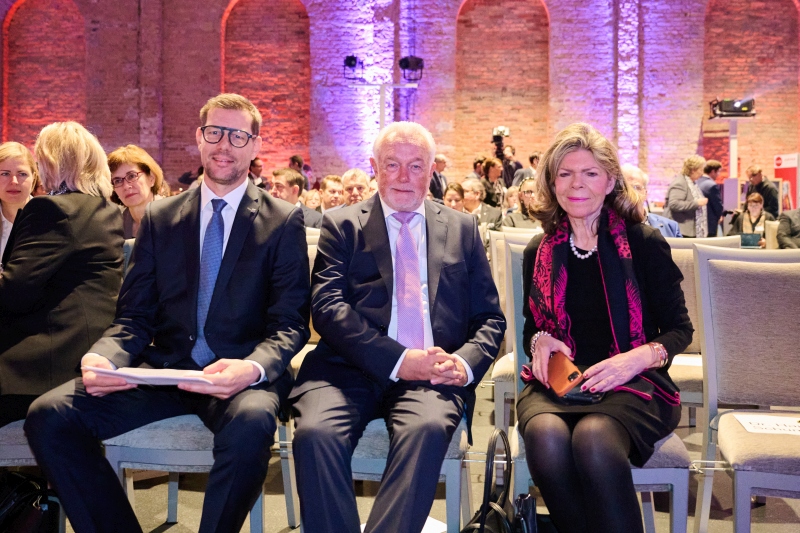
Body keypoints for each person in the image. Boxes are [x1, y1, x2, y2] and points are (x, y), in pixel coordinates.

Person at [25, 94, 311, 533]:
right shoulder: (161, 216)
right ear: (199, 138)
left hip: (237, 376)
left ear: (255, 145)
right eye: (215, 132)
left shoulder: (282, 220)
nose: (224, 144)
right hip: (165, 370)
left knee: (253, 423)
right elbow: (134, 315)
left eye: (238, 136)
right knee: (50, 415)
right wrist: (104, 356)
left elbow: (289, 324)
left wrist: (253, 367)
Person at [290, 121, 505, 533]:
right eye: (392, 164)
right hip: (345, 369)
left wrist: (462, 364)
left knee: (426, 428)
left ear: (432, 171)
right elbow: (327, 308)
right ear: (374, 167)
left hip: (433, 375)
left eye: (416, 165)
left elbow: (490, 318)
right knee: (315, 435)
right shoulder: (342, 223)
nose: (404, 176)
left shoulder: (461, 229)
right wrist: (400, 360)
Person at [518, 123, 691, 533]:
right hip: (561, 382)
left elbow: (679, 330)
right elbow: (531, 331)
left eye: (590, 173)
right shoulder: (539, 251)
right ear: (552, 183)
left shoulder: (644, 242)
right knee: (544, 435)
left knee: (593, 438)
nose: (576, 184)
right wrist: (541, 340)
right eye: (565, 173)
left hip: (635, 381)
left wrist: (633, 360)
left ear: (610, 181)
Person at [0, 123, 123, 427]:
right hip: (89, 352)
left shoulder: (52, 209)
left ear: (52, 162)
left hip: (47, 363)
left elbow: (13, 293)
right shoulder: (104, 209)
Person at [108, 144, 165, 239]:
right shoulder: (113, 226)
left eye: (132, 176)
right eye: (117, 181)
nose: (126, 186)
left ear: (151, 178)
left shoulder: (173, 218)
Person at [620, 164, 681, 238]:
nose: (631, 193)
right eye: (625, 188)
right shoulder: (609, 227)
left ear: (645, 193)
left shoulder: (670, 227)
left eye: (636, 187)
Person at [0, 142, 38, 262]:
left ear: (34, 178)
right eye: (5, 174)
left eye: (22, 174)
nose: (14, 181)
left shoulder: (51, 218)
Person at [662, 155, 709, 237]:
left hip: (688, 230)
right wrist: (696, 203)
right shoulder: (680, 183)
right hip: (681, 231)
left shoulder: (692, 183)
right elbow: (674, 204)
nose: (702, 173)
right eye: (701, 170)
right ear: (693, 170)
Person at [697, 160, 724, 236]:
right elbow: (717, 206)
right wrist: (720, 216)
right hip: (709, 223)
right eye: (718, 172)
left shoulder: (696, 182)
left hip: (698, 222)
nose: (719, 174)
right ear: (713, 171)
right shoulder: (712, 185)